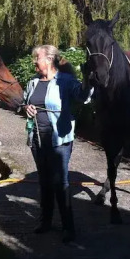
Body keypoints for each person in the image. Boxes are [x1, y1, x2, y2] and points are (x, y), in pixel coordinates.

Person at [24, 45, 92, 243]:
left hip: (59, 140)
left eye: (37, 58)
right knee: (44, 181)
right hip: (37, 139)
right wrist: (27, 108)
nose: (34, 61)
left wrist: (87, 78)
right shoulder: (33, 82)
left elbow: (83, 97)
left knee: (60, 182)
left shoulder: (66, 81)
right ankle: (45, 221)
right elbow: (25, 102)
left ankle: (68, 227)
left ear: (49, 59)